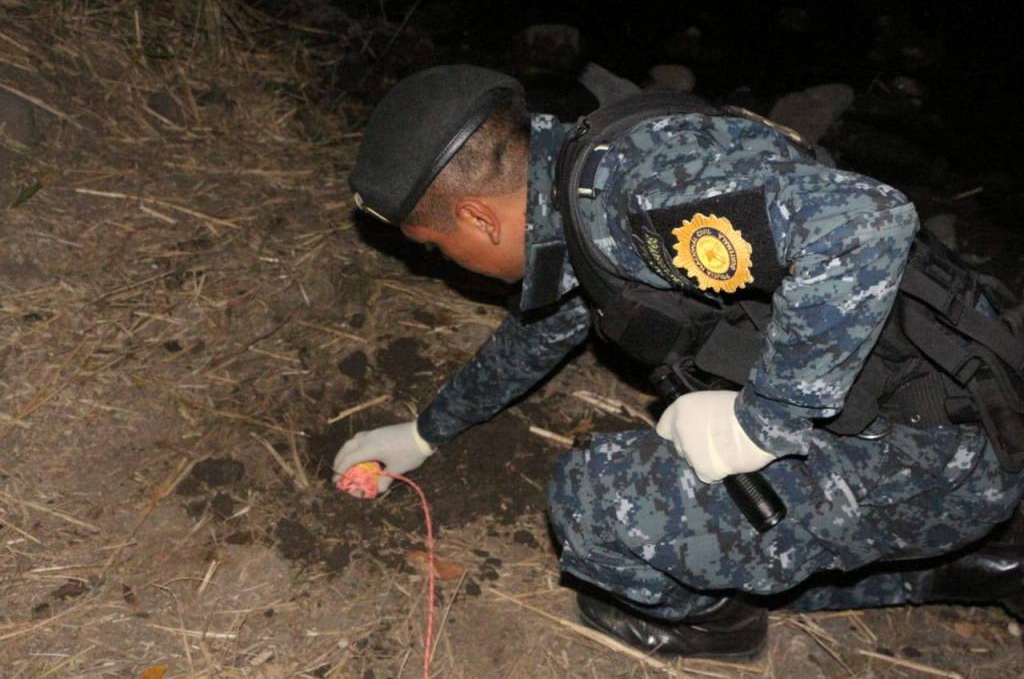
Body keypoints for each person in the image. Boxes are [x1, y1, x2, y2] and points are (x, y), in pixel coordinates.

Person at [333, 65, 1024, 658]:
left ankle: (721, 627)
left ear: (481, 219)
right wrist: (427, 431)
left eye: (434, 246)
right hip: (952, 401)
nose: (441, 263)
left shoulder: (633, 197)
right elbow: (536, 335)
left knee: (596, 505)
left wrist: (764, 420)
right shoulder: (577, 176)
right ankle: (979, 559)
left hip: (951, 444)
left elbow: (866, 222)